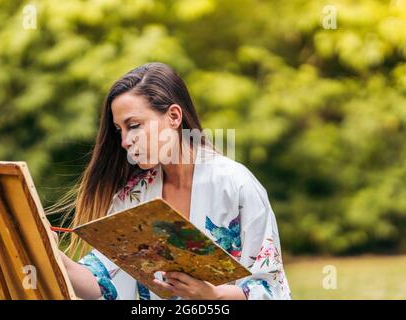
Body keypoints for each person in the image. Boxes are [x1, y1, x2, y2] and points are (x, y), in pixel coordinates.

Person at [51, 62, 291, 300]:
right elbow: (101, 281)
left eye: (134, 125)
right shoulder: (134, 195)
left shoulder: (235, 184)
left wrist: (214, 295)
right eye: (119, 130)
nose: (124, 141)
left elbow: (270, 290)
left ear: (174, 116)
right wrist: (49, 250)